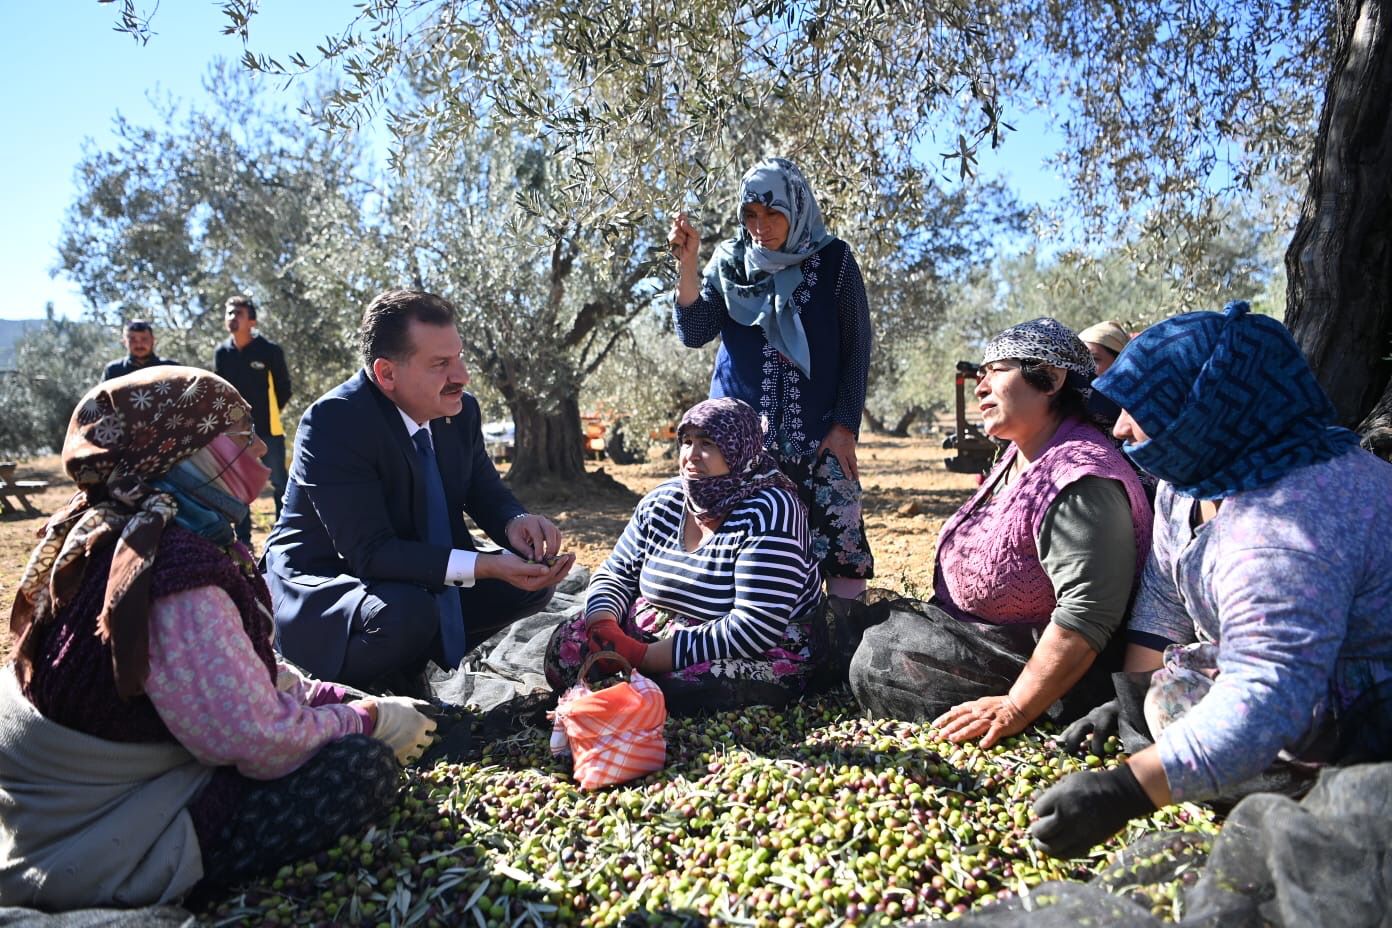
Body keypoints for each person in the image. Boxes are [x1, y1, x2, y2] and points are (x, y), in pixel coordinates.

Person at [0, 367, 436, 909]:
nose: (259, 448)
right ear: (182, 449)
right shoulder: (171, 570)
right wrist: (368, 721)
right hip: (94, 832)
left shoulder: (141, 523)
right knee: (358, 770)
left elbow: (236, 667)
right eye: (235, 433)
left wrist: (328, 695)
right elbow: (255, 742)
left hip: (68, 796)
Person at [1032, 301, 1392, 859]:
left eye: (1141, 408)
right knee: (1168, 702)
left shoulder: (1290, 520)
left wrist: (1127, 790)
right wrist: (1130, 706)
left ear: (1201, 412)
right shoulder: (1193, 480)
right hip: (1284, 670)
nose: (1122, 428)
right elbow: (1162, 603)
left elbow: (1269, 689)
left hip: (1362, 703)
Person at [848, 318, 1152, 746]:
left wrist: (1016, 706)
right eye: (981, 373)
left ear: (1051, 379)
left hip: (1053, 667)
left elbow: (1088, 614)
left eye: (997, 370)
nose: (980, 386)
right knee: (865, 630)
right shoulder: (1020, 454)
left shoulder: (1081, 480)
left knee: (879, 655)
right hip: (988, 639)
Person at [262, 289, 573, 699]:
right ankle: (355, 683)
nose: (461, 375)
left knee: (530, 583)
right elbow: (370, 552)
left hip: (415, 574)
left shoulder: (459, 411)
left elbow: (482, 488)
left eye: (459, 357)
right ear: (387, 373)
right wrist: (487, 565)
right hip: (331, 582)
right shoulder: (335, 421)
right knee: (407, 614)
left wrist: (515, 523)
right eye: (441, 364)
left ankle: (409, 663)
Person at [669, 158, 873, 600]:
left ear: (796, 208)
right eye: (750, 215)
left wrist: (844, 429)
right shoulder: (729, 263)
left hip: (819, 436)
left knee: (840, 543)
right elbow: (695, 331)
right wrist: (688, 266)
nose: (760, 226)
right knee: (740, 548)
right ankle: (748, 644)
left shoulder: (834, 261)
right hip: (739, 445)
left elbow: (857, 345)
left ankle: (843, 649)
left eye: (773, 213)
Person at [544, 397, 824, 713]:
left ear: (740, 451)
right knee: (565, 649)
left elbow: (754, 626)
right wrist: (604, 627)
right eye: (687, 441)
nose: (691, 455)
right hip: (661, 627)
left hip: (751, 647)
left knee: (683, 689)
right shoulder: (662, 502)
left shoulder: (770, 511)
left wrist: (644, 658)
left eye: (707, 444)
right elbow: (617, 573)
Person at [214, 294, 293, 547]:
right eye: (229, 313)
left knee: (280, 483)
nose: (232, 318)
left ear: (252, 321)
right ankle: (244, 540)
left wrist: (269, 413)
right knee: (239, 486)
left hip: (269, 428)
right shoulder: (222, 353)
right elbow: (220, 391)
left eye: (238, 313)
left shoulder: (269, 351)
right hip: (234, 434)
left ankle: (284, 535)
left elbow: (284, 388)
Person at [101, 319, 178, 381]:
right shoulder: (113, 370)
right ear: (124, 342)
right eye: (132, 339)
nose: (139, 344)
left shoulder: (171, 368)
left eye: (144, 339)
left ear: (153, 340)